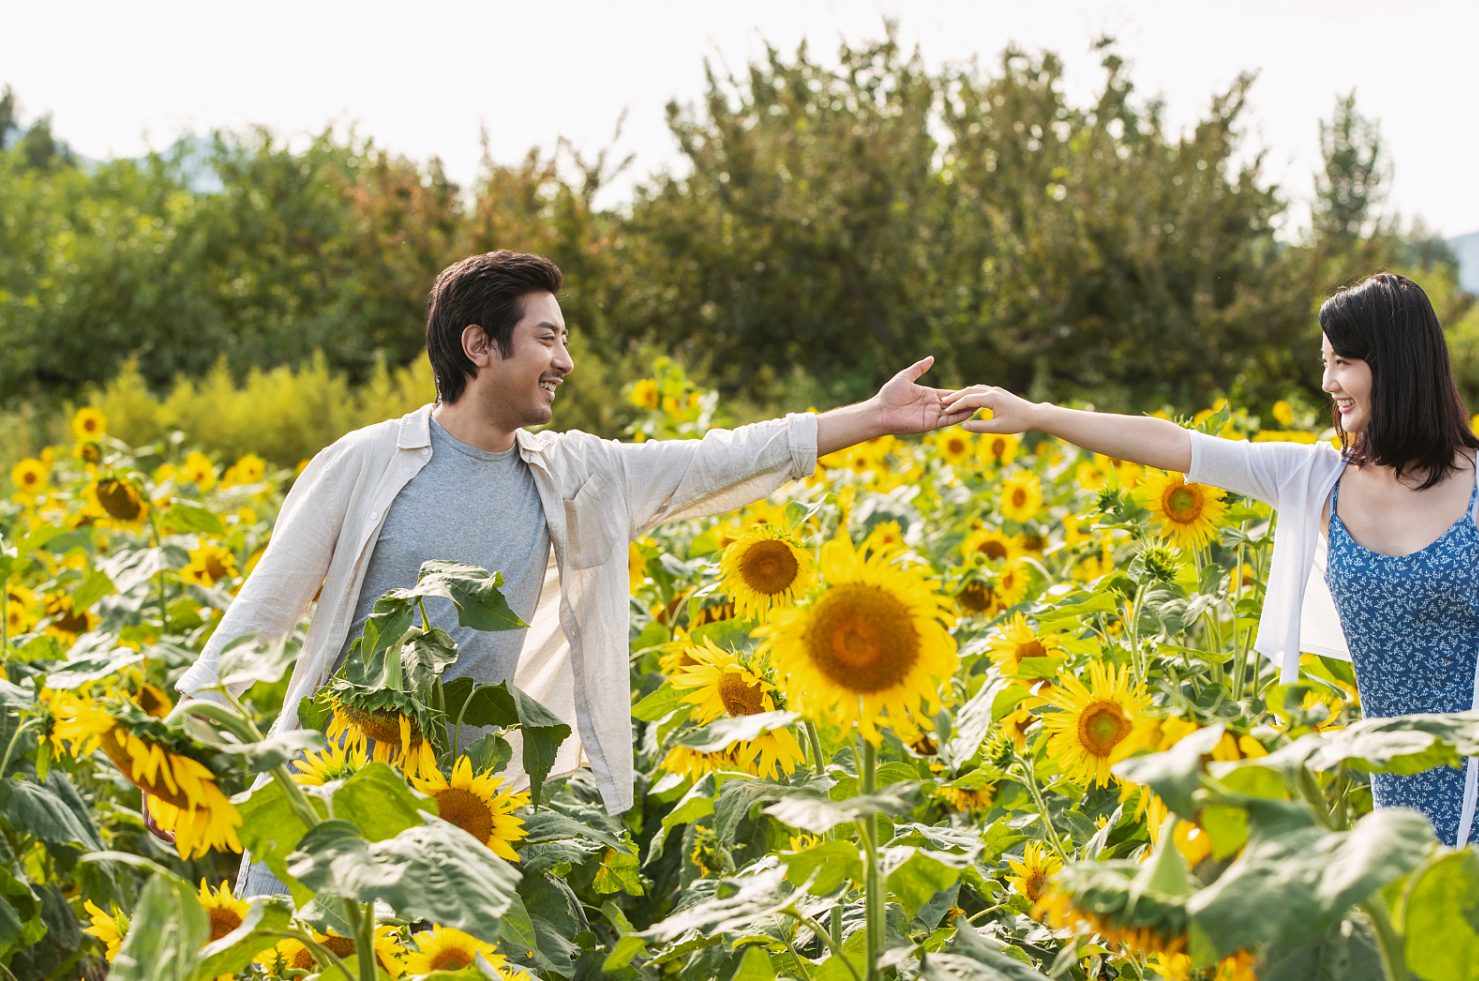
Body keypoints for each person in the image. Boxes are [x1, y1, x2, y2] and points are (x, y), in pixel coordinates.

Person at [942, 271, 1479, 981]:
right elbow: (1173, 444)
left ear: (1394, 364)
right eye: (1325, 362)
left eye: (1343, 362)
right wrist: (1040, 415)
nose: (1328, 382)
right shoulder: (1315, 480)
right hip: (1401, 790)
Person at [161, 249, 963, 896]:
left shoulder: (574, 476)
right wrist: (181, 755)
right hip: (326, 796)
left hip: (466, 817)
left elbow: (718, 460)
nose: (565, 361)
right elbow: (257, 618)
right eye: (546, 338)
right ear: (480, 345)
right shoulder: (367, 463)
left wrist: (871, 417)